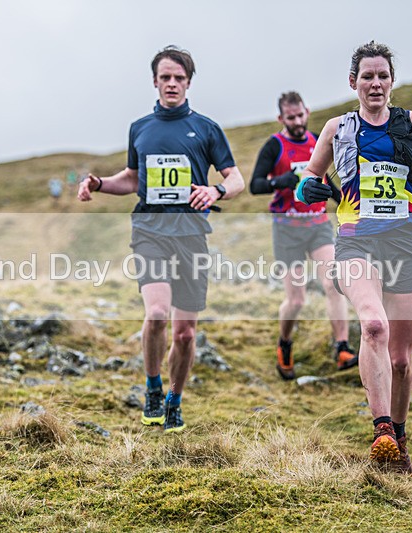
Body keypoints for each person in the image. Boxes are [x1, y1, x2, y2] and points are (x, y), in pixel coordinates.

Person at [295, 42, 412, 473]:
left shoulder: (411, 122)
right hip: (356, 240)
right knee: (373, 325)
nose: (376, 83)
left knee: (400, 358)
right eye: (367, 76)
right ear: (353, 82)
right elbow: (306, 182)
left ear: (392, 81)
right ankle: (382, 433)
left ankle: (401, 434)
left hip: (406, 241)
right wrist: (309, 190)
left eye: (383, 76)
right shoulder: (337, 129)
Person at [78, 45, 245, 433]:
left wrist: (216, 191)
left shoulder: (206, 128)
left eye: (179, 78)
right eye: (165, 77)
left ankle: (173, 398)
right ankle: (152, 386)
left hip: (191, 236)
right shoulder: (140, 128)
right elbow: (134, 179)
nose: (172, 84)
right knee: (156, 314)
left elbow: (234, 178)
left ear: (188, 83)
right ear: (155, 81)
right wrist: (100, 183)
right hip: (150, 232)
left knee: (186, 333)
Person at [250, 91, 357, 380]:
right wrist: (278, 182)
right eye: (291, 117)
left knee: (334, 284)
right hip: (287, 230)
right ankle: (284, 344)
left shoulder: (316, 142)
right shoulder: (275, 146)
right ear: (280, 118)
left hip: (318, 225)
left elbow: (329, 183)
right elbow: (255, 185)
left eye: (301, 115)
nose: (297, 121)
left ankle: (343, 348)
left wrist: (345, 203)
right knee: (296, 300)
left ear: (307, 112)